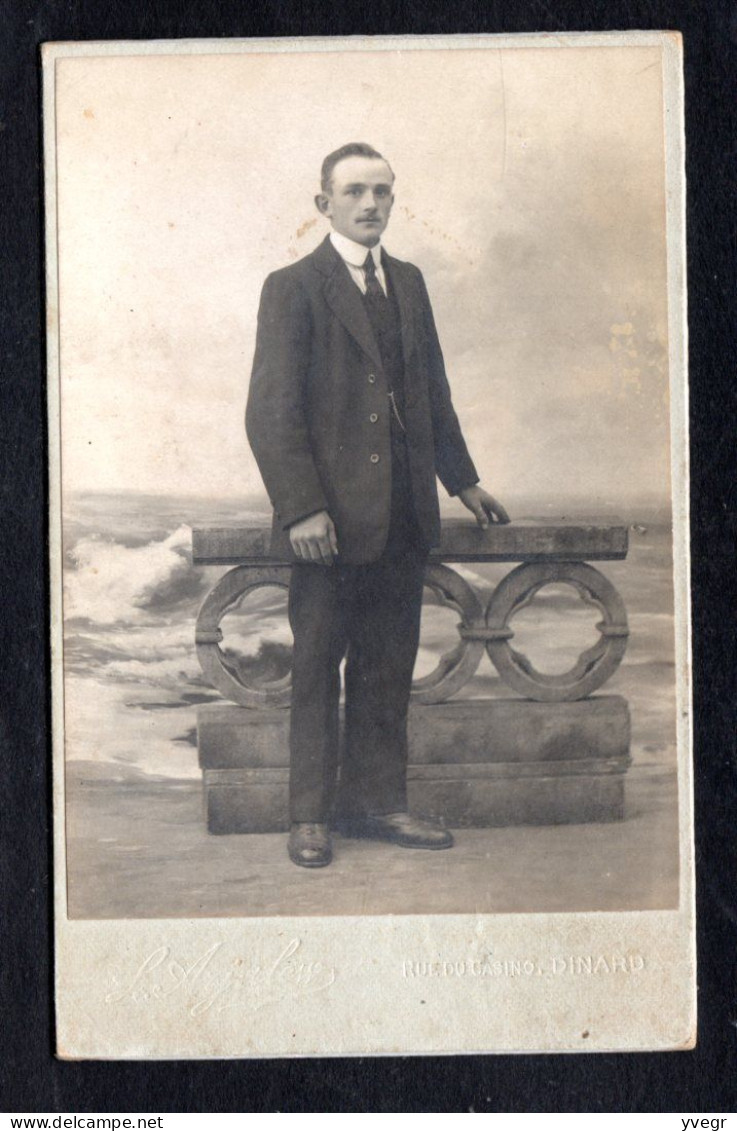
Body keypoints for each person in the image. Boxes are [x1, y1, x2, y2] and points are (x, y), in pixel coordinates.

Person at [246, 142, 509, 868]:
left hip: (402, 515)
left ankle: (377, 803)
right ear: (322, 203)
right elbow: (271, 412)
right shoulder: (293, 286)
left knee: (386, 668)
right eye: (355, 191)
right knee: (315, 667)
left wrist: (461, 480)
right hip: (324, 528)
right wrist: (301, 509)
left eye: (382, 192)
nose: (370, 205)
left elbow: (432, 394)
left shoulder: (410, 283)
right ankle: (308, 818)